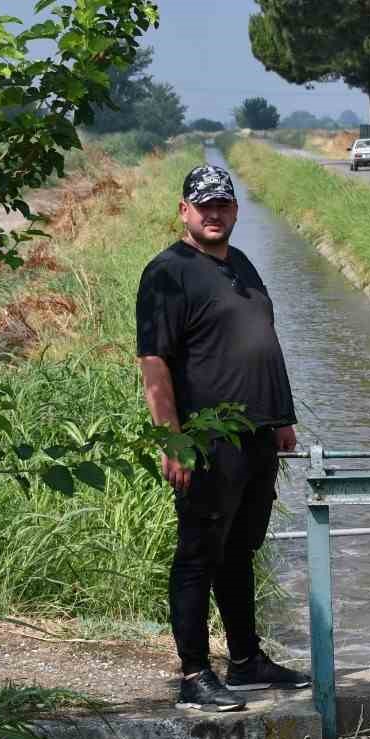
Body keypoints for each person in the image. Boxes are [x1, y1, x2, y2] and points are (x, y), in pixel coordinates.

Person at [137, 164, 309, 710]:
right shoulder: (168, 272)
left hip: (257, 436)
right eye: (203, 205)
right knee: (198, 554)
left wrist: (280, 418)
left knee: (240, 551)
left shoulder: (242, 264)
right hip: (208, 439)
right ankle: (193, 675)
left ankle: (245, 661)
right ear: (184, 210)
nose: (214, 214)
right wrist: (173, 441)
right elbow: (154, 361)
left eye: (223, 205)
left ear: (235, 210)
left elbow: (262, 339)